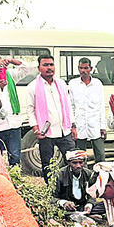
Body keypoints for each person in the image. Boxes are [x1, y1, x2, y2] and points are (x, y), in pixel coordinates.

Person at [27, 55, 77, 183]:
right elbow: (30, 109)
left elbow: (68, 105)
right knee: (47, 164)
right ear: (39, 68)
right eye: (45, 65)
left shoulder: (61, 83)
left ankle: (72, 188)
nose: (49, 68)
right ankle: (52, 192)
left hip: (64, 130)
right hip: (46, 133)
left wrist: (73, 125)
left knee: (73, 160)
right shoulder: (33, 86)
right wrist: (36, 128)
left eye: (51, 64)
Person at [0, 47, 33, 165]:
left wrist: (11, 61)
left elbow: (28, 68)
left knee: (15, 157)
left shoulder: (9, 74)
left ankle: (14, 181)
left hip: (13, 123)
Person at [68, 57, 106, 164]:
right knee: (79, 156)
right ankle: (82, 178)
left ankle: (100, 177)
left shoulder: (97, 84)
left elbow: (101, 106)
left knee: (100, 155)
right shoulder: (73, 84)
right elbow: (71, 106)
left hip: (95, 125)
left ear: (91, 69)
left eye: (85, 68)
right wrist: (73, 126)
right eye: (81, 68)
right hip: (79, 126)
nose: (83, 71)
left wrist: (103, 126)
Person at [53, 150, 102, 214]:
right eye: (74, 163)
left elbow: (92, 195)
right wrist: (64, 203)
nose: (78, 166)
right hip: (67, 207)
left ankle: (82, 214)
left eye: (80, 162)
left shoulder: (88, 174)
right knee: (56, 210)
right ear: (68, 163)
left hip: (82, 205)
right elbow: (52, 197)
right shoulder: (59, 175)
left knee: (103, 206)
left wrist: (89, 205)